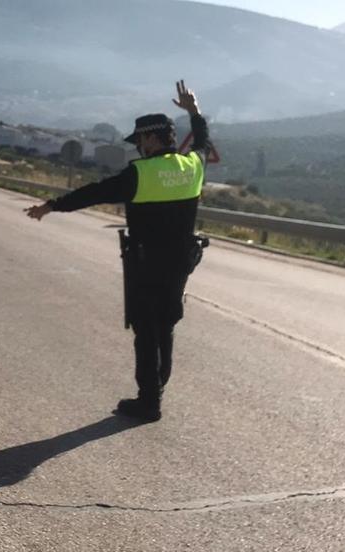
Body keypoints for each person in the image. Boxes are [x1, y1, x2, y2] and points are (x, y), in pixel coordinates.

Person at [26, 81, 211, 422]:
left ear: (152, 139)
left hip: (146, 262)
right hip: (180, 262)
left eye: (140, 140)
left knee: (146, 329)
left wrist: (52, 205)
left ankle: (148, 401)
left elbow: (95, 192)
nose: (138, 147)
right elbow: (201, 143)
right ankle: (158, 389)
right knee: (167, 324)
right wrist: (194, 111)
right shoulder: (193, 167)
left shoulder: (141, 173)